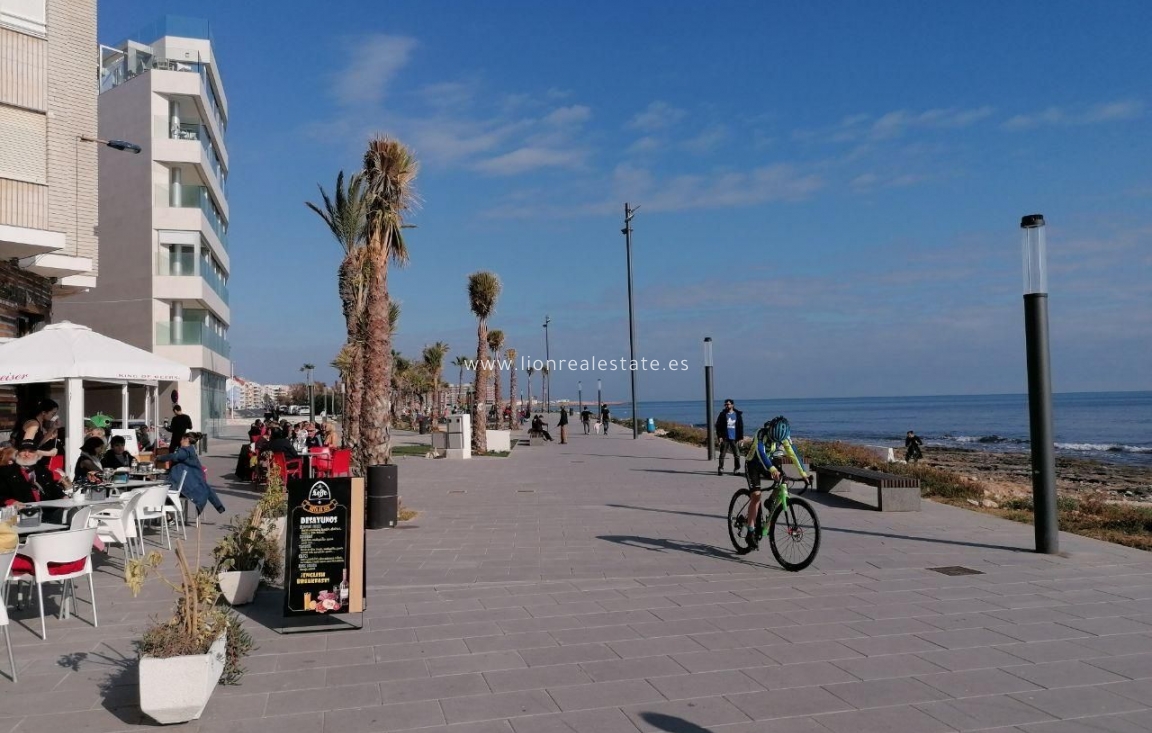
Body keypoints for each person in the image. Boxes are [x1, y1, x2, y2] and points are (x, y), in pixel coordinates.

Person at [741, 417, 812, 550]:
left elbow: (793, 454)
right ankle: (750, 531)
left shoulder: (784, 437)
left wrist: (803, 474)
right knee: (756, 496)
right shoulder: (761, 434)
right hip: (753, 464)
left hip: (768, 463)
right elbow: (761, 453)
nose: (777, 442)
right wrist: (772, 469)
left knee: (784, 481)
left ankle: (771, 501)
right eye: (774, 439)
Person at [154, 431, 225, 515]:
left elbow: (175, 456)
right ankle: (168, 515)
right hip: (190, 486)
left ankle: (168, 516)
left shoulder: (185, 451)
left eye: (181, 439)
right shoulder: (191, 451)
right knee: (161, 490)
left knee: (158, 491)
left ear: (187, 440)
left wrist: (160, 457)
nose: (180, 441)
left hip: (184, 488)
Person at [0, 440, 67, 506]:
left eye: (31, 451)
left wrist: (63, 496)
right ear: (17, 453)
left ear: (36, 455)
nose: (26, 454)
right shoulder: (5, 472)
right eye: (23, 451)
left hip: (46, 512)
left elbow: (53, 491)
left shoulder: (44, 472)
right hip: (20, 513)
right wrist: (12, 502)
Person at [714, 399, 744, 476]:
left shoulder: (737, 415)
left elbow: (740, 426)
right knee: (722, 454)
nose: (727, 406)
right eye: (726, 404)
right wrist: (719, 436)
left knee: (737, 454)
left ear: (732, 405)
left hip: (734, 438)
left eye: (728, 404)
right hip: (725, 437)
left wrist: (741, 438)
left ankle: (736, 469)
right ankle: (720, 468)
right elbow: (718, 426)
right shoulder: (723, 414)